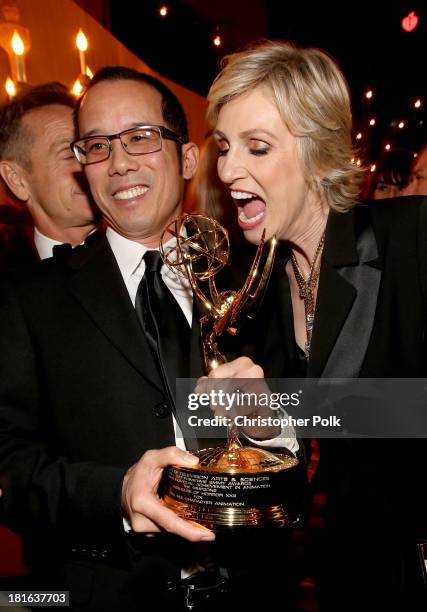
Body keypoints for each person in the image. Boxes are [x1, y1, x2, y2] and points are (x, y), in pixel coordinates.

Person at [0, 66, 299, 612]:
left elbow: (332, 426)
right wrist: (114, 492)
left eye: (140, 136)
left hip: (257, 591)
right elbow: (10, 466)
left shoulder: (255, 279)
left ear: (186, 159)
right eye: (96, 145)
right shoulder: (27, 299)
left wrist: (271, 423)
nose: (119, 162)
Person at [205, 40, 427, 611]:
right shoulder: (253, 288)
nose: (229, 169)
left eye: (257, 147)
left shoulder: (413, 239)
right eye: (225, 147)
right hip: (345, 580)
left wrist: (287, 409)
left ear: (318, 152)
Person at [0, 82, 97, 265]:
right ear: (17, 180)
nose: (90, 163)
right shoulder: (10, 282)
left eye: (91, 148)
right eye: (69, 154)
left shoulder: (150, 252)